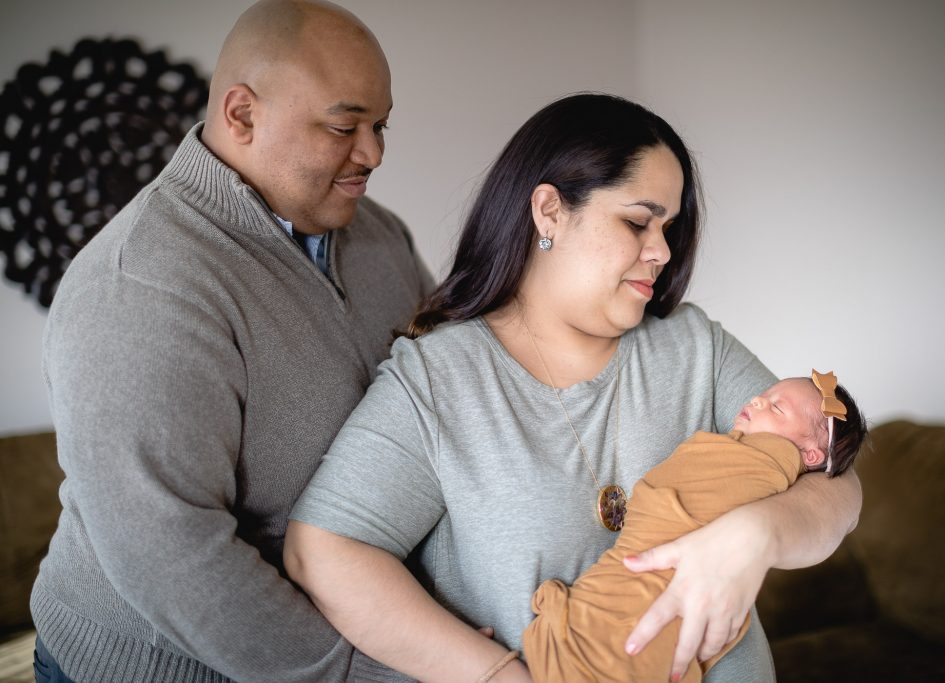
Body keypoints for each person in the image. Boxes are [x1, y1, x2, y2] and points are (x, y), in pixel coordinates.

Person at [284, 93, 863, 683]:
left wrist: (756, 534)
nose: (662, 251)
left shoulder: (697, 349)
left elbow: (841, 490)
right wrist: (493, 675)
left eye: (669, 226)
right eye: (638, 221)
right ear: (549, 211)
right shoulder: (438, 381)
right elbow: (324, 551)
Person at [31, 1, 432, 681]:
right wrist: (374, 669)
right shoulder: (141, 283)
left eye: (380, 124)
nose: (374, 153)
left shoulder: (380, 235)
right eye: (344, 126)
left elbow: (443, 392)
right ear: (242, 114)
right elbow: (175, 560)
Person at [522, 372, 867, 683]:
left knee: (628, 644)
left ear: (809, 456)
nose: (758, 398)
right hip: (612, 606)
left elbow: (844, 490)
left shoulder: (766, 460)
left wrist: (757, 530)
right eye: (766, 394)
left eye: (777, 409)